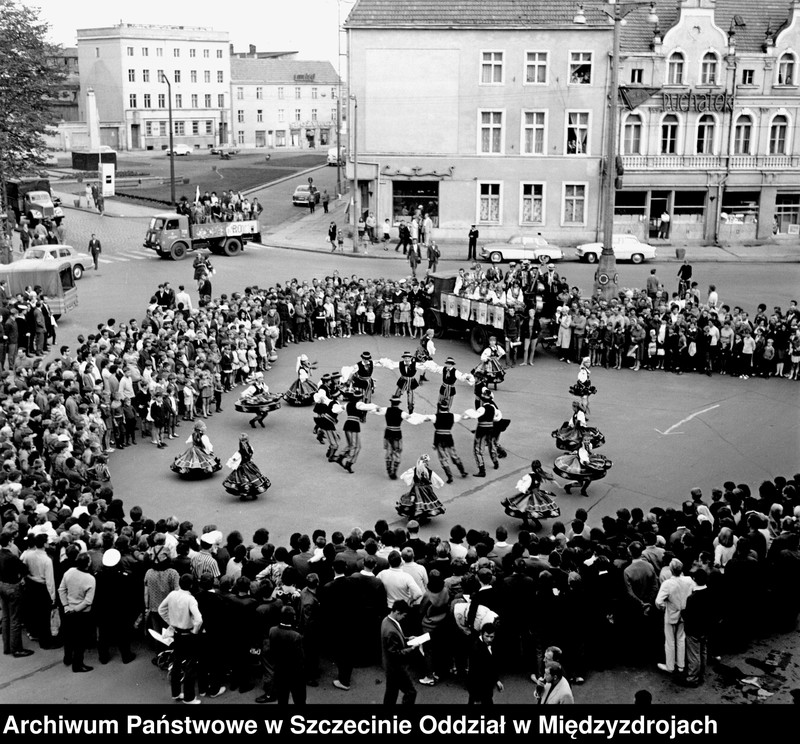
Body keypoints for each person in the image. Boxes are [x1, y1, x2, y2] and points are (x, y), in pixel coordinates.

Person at [158, 573, 203, 704]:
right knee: (190, 666)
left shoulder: (172, 594)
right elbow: (199, 619)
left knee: (176, 664)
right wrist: (194, 630)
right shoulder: (191, 599)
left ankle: (176, 693)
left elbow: (161, 609)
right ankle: (189, 698)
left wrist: (170, 622)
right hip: (188, 635)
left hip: (176, 634)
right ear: (191, 585)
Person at [655, 558, 695, 677]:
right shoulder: (689, 580)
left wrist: (664, 608)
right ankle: (681, 665)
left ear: (671, 570)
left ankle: (670, 666)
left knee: (670, 641)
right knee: (681, 639)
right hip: (684, 613)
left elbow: (658, 601)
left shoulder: (667, 583)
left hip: (671, 613)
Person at [58, 552, 96, 673]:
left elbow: (61, 589)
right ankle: (77, 665)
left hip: (68, 610)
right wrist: (74, 610)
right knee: (80, 640)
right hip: (82, 613)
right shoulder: (90, 578)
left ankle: (67, 658)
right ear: (88, 563)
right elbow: (88, 601)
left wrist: (66, 606)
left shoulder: (69, 571)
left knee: (69, 636)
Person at [0, 533, 34, 657]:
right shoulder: (11, 557)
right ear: (9, 542)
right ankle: (16, 649)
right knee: (15, 619)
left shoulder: (1, 554)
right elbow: (24, 569)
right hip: (13, 587)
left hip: (2, 585)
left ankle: (7, 646)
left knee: (5, 617)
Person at [501, 460, 560, 529]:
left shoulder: (529, 476)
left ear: (532, 467)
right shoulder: (540, 474)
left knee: (523, 510)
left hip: (530, 495)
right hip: (538, 494)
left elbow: (522, 487)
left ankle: (526, 524)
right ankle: (537, 524)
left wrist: (525, 490)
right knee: (533, 510)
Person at [381, 600, 419, 705]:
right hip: (396, 668)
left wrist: (407, 639)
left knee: (391, 692)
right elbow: (395, 653)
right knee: (411, 692)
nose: (404, 618)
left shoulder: (386, 621)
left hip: (389, 666)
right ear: (398, 612)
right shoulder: (391, 631)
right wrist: (411, 648)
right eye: (403, 615)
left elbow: (395, 641)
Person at [268, 606, 306, 705]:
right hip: (294, 673)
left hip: (280, 671)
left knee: (282, 699)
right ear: (293, 618)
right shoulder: (296, 636)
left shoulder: (272, 630)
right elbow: (300, 658)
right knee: (299, 699)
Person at [396, 454, 446, 521]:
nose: (428, 463)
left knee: (414, 501)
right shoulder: (429, 471)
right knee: (426, 503)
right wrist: (440, 483)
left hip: (416, 489)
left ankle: (416, 516)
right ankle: (421, 517)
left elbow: (406, 475)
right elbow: (436, 479)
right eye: (427, 462)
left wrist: (405, 478)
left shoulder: (414, 470)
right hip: (426, 490)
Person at [223, 433, 271, 501]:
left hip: (247, 466)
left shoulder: (245, 450)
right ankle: (247, 494)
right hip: (246, 467)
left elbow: (236, 459)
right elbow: (236, 459)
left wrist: (233, 463)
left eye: (245, 440)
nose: (244, 443)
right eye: (243, 441)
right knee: (247, 480)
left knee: (248, 479)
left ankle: (250, 494)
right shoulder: (244, 451)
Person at [467, 622, 503, 704]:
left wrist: (496, 680)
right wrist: (476, 697)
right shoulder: (476, 649)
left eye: (491, 637)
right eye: (487, 636)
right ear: (482, 634)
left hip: (486, 686)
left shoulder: (491, 645)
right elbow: (475, 673)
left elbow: (492, 666)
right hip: (478, 687)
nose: (489, 639)